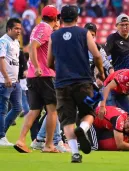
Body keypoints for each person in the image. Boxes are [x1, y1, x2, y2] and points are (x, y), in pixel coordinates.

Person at [47, 5, 105, 163]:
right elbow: (97, 55)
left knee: (67, 120)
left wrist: (59, 70)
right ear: (77, 18)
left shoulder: (54, 36)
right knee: (89, 112)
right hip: (83, 81)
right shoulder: (84, 33)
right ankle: (84, 128)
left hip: (62, 84)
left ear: (60, 18)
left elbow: (49, 62)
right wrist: (101, 71)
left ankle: (75, 153)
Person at [14, 5, 60, 153]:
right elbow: (33, 46)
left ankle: (21, 140)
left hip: (33, 77)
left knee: (34, 110)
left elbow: (33, 45)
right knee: (52, 110)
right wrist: (37, 65)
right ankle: (48, 145)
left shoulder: (37, 28)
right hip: (44, 75)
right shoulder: (46, 29)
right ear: (55, 18)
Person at [0, 18, 22, 146]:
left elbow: (14, 61)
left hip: (15, 82)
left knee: (18, 108)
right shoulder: (3, 41)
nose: (18, 31)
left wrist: (16, 78)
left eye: (19, 28)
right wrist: (6, 77)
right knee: (2, 109)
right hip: (4, 81)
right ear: (9, 29)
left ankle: (2, 133)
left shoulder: (16, 42)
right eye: (16, 29)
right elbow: (1, 60)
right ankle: (1, 136)